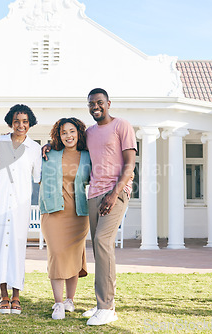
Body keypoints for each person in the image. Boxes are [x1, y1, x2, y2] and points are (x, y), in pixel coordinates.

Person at [42, 88, 136, 326]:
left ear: (108, 103)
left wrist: (115, 193)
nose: (96, 106)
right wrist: (48, 145)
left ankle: (107, 307)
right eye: (91, 104)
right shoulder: (90, 133)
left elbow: (129, 164)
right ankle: (101, 303)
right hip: (93, 195)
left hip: (114, 193)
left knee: (104, 243)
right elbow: (69, 147)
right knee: (98, 247)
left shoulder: (121, 126)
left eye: (100, 102)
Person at [0, 104, 42, 315]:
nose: (21, 125)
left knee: (16, 250)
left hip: (19, 207)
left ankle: (16, 296)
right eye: (17, 121)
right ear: (10, 122)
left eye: (24, 121)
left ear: (30, 122)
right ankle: (3, 295)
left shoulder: (34, 148)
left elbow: (38, 178)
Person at [39, 117, 91, 320]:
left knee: (73, 255)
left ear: (78, 132)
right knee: (57, 254)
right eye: (63, 132)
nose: (68, 135)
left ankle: (70, 300)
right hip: (52, 212)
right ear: (58, 136)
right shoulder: (49, 153)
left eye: (72, 131)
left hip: (78, 214)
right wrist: (46, 145)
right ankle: (58, 303)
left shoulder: (87, 156)